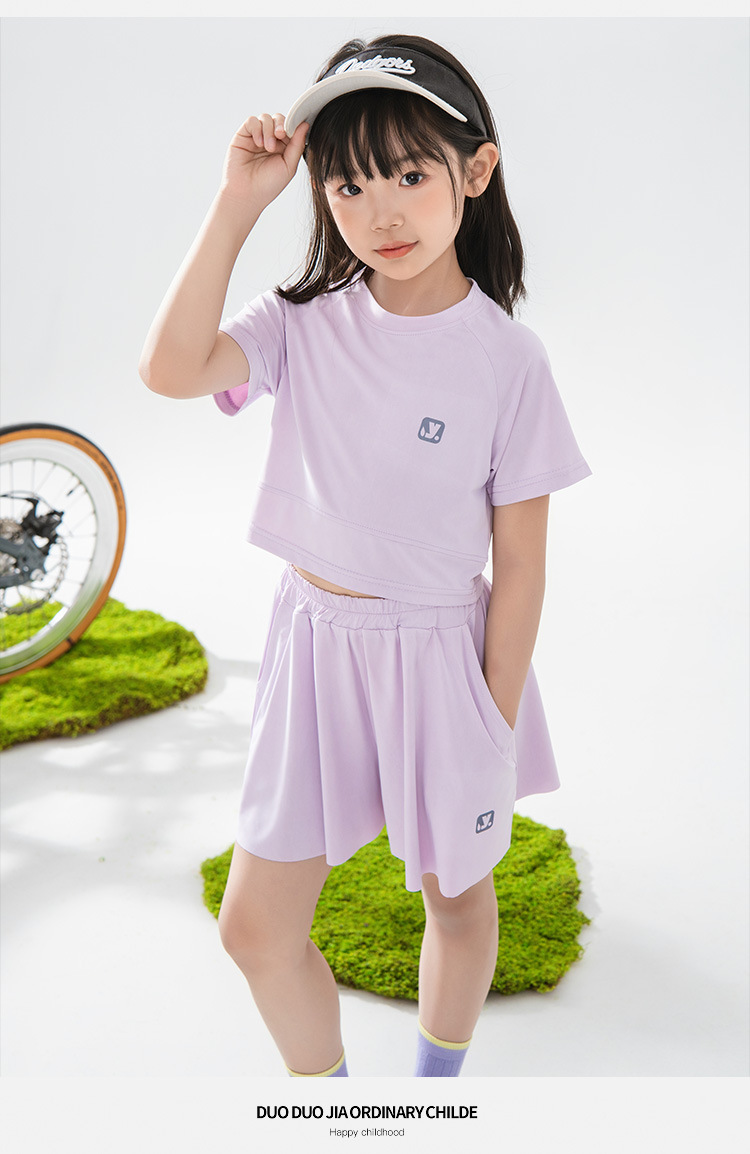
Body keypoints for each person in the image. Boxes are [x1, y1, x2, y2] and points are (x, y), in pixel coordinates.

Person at [139, 33, 592, 1079]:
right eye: (348, 185)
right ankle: (338, 1117)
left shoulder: (509, 360)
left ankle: (432, 1102)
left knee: (456, 897)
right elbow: (169, 368)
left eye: (409, 175)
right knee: (256, 929)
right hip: (313, 649)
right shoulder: (299, 324)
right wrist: (237, 204)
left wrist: (492, 716)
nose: (381, 211)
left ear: (475, 171)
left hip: (440, 660)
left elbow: (521, 566)